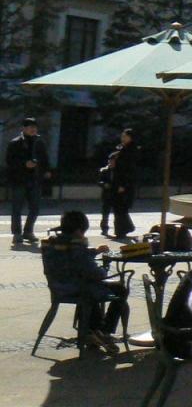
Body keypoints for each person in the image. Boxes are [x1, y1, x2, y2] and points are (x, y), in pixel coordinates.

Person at [41, 210, 128, 354]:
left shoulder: (53, 243)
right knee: (120, 289)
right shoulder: (76, 246)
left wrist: (93, 252)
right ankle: (104, 331)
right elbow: (93, 271)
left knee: (92, 290)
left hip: (58, 286)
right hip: (77, 288)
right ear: (78, 230)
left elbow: (72, 259)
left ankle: (92, 330)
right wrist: (104, 269)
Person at [7, 117, 50, 249]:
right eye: (30, 127)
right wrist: (24, 164)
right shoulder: (15, 142)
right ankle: (17, 233)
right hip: (19, 180)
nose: (33, 129)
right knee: (17, 208)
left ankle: (28, 231)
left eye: (35, 127)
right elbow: (10, 161)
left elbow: (44, 158)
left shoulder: (39, 142)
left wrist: (46, 170)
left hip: (35, 179)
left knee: (35, 208)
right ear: (24, 128)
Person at [107, 129, 138, 240]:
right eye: (122, 136)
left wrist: (123, 185)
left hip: (124, 183)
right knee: (119, 208)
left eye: (125, 136)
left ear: (130, 137)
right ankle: (126, 228)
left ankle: (121, 231)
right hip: (118, 181)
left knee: (120, 208)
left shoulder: (131, 150)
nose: (122, 138)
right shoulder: (122, 148)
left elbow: (128, 169)